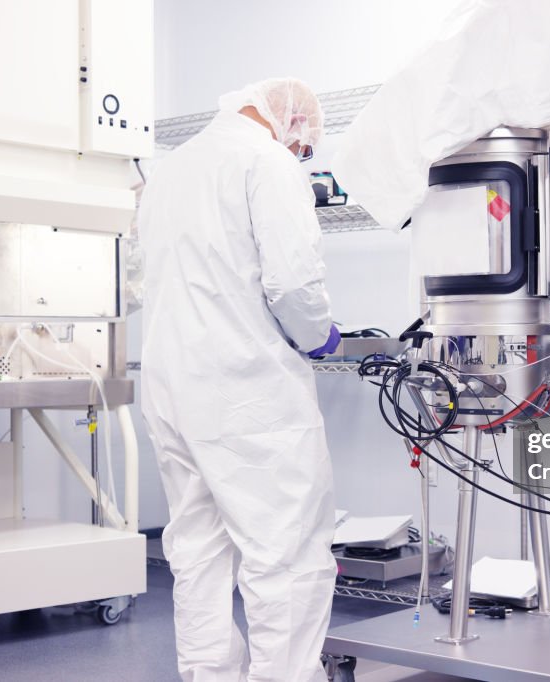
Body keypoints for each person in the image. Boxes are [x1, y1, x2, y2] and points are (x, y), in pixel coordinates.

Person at [138, 77, 341, 682]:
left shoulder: (170, 171)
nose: (302, 156)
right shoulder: (267, 162)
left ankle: (209, 674)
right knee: (286, 552)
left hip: (172, 384)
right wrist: (319, 336)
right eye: (305, 148)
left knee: (197, 547)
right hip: (245, 390)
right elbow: (294, 285)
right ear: (295, 124)